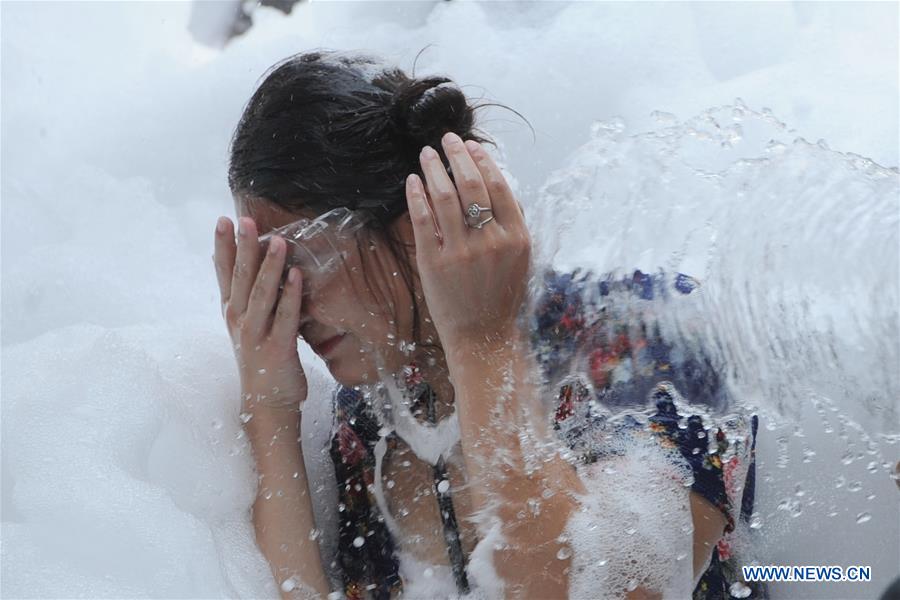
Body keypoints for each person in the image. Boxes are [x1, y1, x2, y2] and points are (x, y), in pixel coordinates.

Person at [212, 50, 764, 599]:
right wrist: (270, 408)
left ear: (419, 220)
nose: (289, 305)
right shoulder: (373, 426)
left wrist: (484, 339)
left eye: (301, 260)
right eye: (260, 273)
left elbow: (614, 591)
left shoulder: (645, 334)